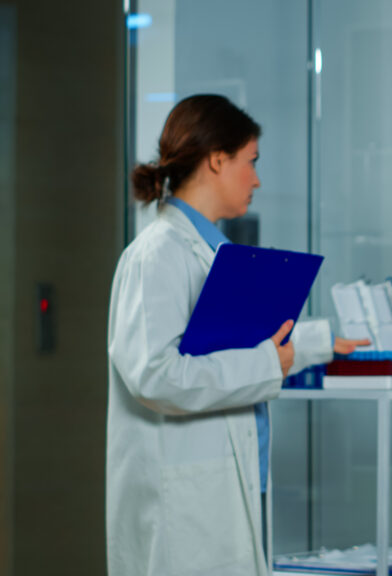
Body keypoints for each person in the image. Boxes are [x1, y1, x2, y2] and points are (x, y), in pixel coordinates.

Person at [106, 94, 368, 576]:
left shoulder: (214, 253)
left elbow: (234, 345)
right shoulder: (157, 255)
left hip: (224, 487)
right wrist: (271, 363)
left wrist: (316, 343)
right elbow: (156, 376)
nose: (257, 178)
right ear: (216, 159)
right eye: (251, 162)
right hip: (183, 505)